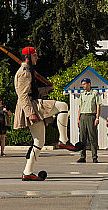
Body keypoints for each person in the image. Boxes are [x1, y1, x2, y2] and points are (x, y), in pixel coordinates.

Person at [14, 47, 77, 181]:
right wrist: (30, 112)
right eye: (35, 55)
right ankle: (63, 140)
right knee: (63, 106)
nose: (37, 58)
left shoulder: (28, 71)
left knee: (39, 141)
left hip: (32, 103)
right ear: (28, 57)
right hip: (31, 106)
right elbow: (23, 95)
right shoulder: (25, 72)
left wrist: (46, 89)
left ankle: (28, 172)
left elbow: (32, 92)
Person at [77, 78, 102, 163]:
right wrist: (78, 119)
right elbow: (80, 107)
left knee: (92, 137)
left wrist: (97, 118)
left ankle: (94, 157)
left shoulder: (95, 93)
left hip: (91, 116)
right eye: (82, 84)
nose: (83, 86)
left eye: (84, 84)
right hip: (83, 116)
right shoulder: (82, 94)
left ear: (89, 84)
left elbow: (98, 105)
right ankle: (82, 157)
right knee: (82, 137)